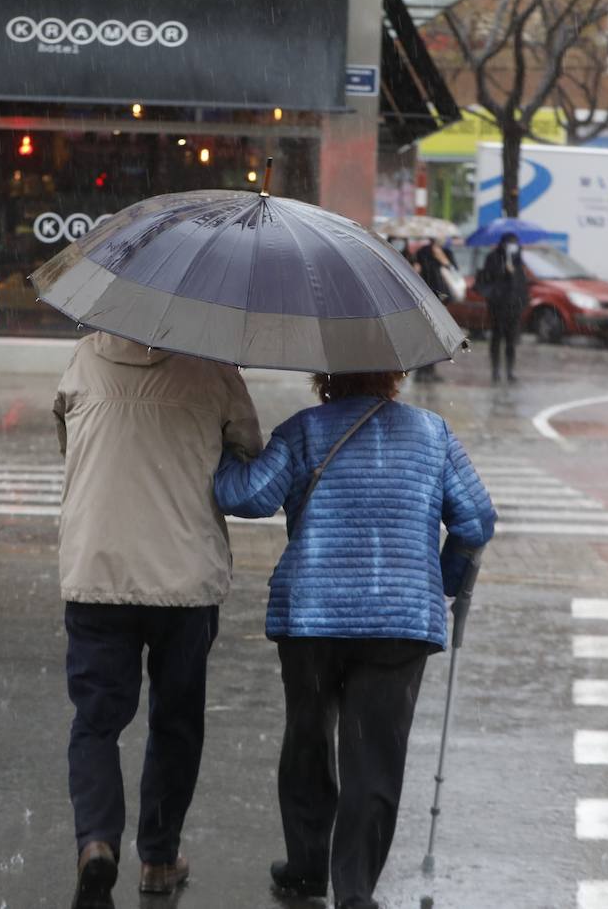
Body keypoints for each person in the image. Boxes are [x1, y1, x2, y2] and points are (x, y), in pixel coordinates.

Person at [213, 371, 495, 909]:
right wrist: (445, 578)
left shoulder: (304, 431)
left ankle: (307, 866)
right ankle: (356, 890)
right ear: (395, 374)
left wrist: (222, 447)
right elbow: (477, 520)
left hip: (313, 617)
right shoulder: (433, 433)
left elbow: (247, 496)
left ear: (325, 375)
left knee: (309, 738)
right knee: (374, 758)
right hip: (399, 621)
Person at [54, 331, 262, 907]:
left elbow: (67, 441)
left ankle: (96, 841)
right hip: (183, 574)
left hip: (98, 566)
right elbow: (248, 452)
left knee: (96, 720)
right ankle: (159, 857)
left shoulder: (85, 357)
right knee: (176, 722)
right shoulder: (214, 368)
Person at [477, 233, 529, 382]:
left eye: (515, 242)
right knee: (496, 338)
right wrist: (503, 271)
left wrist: (522, 302)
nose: (513, 245)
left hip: (514, 307)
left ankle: (510, 371)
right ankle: (495, 370)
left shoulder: (518, 260)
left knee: (511, 341)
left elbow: (521, 283)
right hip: (498, 306)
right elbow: (488, 278)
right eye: (510, 242)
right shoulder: (493, 258)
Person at [414, 239, 461, 383]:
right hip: (425, 296)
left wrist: (443, 259)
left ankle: (431, 369)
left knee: (436, 336)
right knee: (425, 334)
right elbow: (417, 270)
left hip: (441, 298)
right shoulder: (423, 252)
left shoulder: (446, 252)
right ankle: (422, 371)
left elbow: (454, 271)